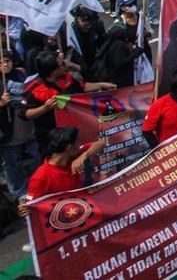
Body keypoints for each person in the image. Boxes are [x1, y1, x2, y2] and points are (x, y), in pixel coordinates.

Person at [22, 127, 104, 209]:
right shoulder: (40, 177)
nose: (80, 144)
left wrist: (85, 155)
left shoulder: (74, 156)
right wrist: (24, 208)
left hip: (81, 207)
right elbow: (29, 206)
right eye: (78, 142)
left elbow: (100, 144)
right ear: (69, 147)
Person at [0, 51, 40, 199]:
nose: (5, 65)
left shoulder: (21, 73)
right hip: (7, 129)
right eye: (1, 62)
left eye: (7, 61)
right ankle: (19, 191)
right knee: (12, 163)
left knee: (37, 156)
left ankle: (36, 185)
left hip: (27, 125)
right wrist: (1, 103)